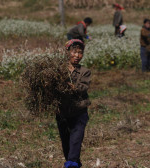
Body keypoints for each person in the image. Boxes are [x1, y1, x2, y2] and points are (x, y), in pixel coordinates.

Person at [56, 39, 91, 168]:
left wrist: (72, 87)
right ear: (67, 53)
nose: (77, 56)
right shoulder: (59, 70)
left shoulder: (84, 71)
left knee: (76, 140)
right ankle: (73, 162)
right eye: (74, 52)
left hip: (79, 112)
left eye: (80, 53)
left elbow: (83, 88)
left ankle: (72, 164)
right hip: (62, 112)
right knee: (66, 142)